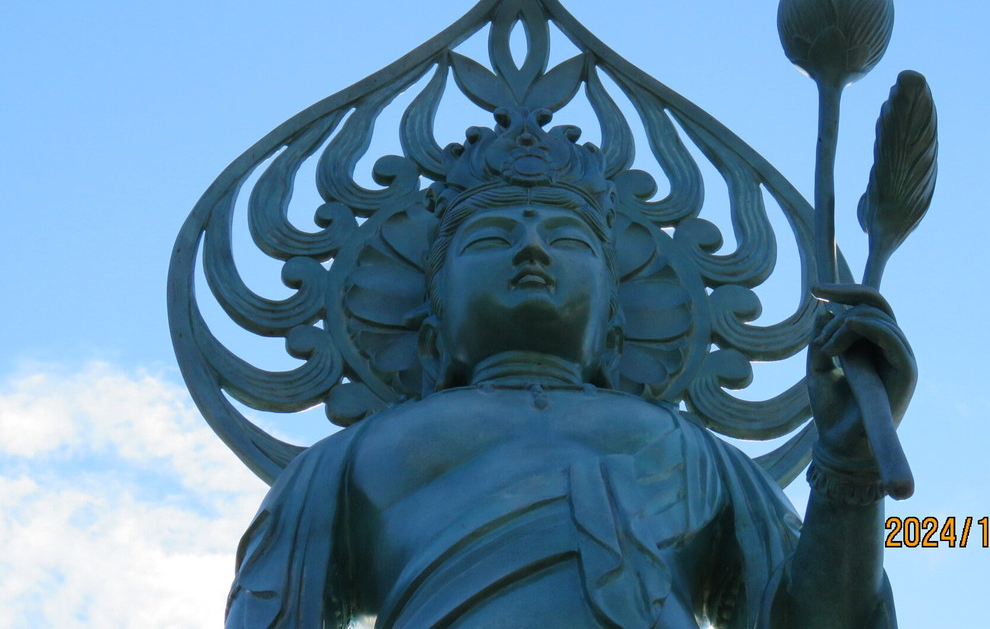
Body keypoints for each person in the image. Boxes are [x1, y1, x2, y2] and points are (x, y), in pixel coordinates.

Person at [224, 110, 914, 629]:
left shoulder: (698, 456)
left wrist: (848, 469)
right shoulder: (341, 467)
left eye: (567, 238)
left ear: (617, 317)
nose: (531, 250)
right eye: (493, 238)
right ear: (430, 318)